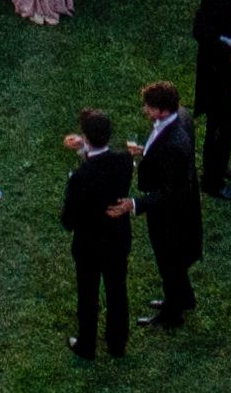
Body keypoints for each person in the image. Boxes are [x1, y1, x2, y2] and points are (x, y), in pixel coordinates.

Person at [62, 107, 138, 359]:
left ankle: (87, 344)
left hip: (89, 244)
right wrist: (84, 145)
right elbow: (106, 158)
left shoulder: (80, 177)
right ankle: (117, 344)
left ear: (86, 136)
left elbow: (68, 220)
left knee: (88, 294)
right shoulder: (124, 162)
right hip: (117, 239)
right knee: (117, 291)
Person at [134, 78, 204, 327]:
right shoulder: (180, 116)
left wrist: (136, 204)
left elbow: (170, 191)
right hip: (176, 206)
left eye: (150, 107)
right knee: (173, 261)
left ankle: (171, 315)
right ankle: (184, 298)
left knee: (169, 261)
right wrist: (145, 152)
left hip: (171, 215)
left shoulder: (175, 143)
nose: (145, 111)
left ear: (163, 110)